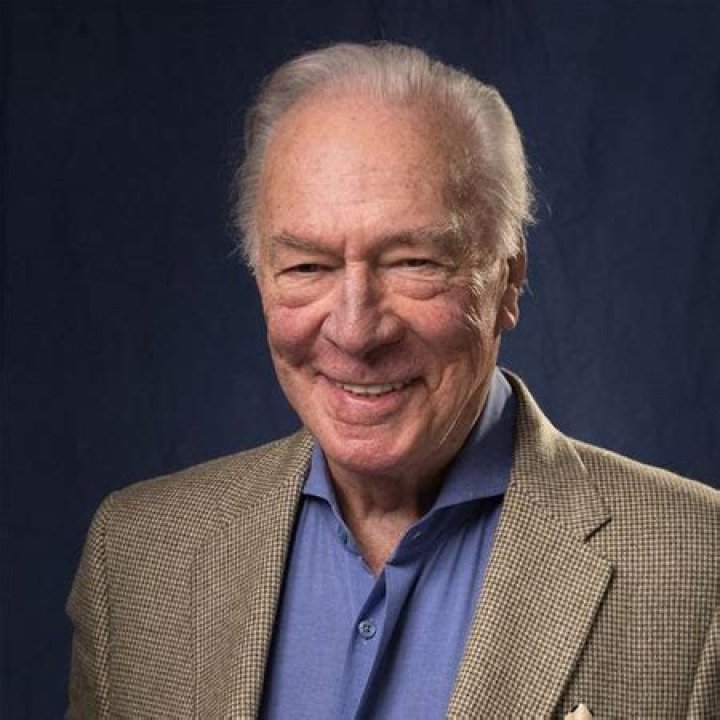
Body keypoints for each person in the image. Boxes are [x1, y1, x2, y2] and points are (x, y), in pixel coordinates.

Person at [67, 43, 718, 720]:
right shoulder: (137, 559)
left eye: (413, 262)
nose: (356, 332)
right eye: (307, 267)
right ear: (260, 279)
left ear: (508, 280)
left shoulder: (701, 574)